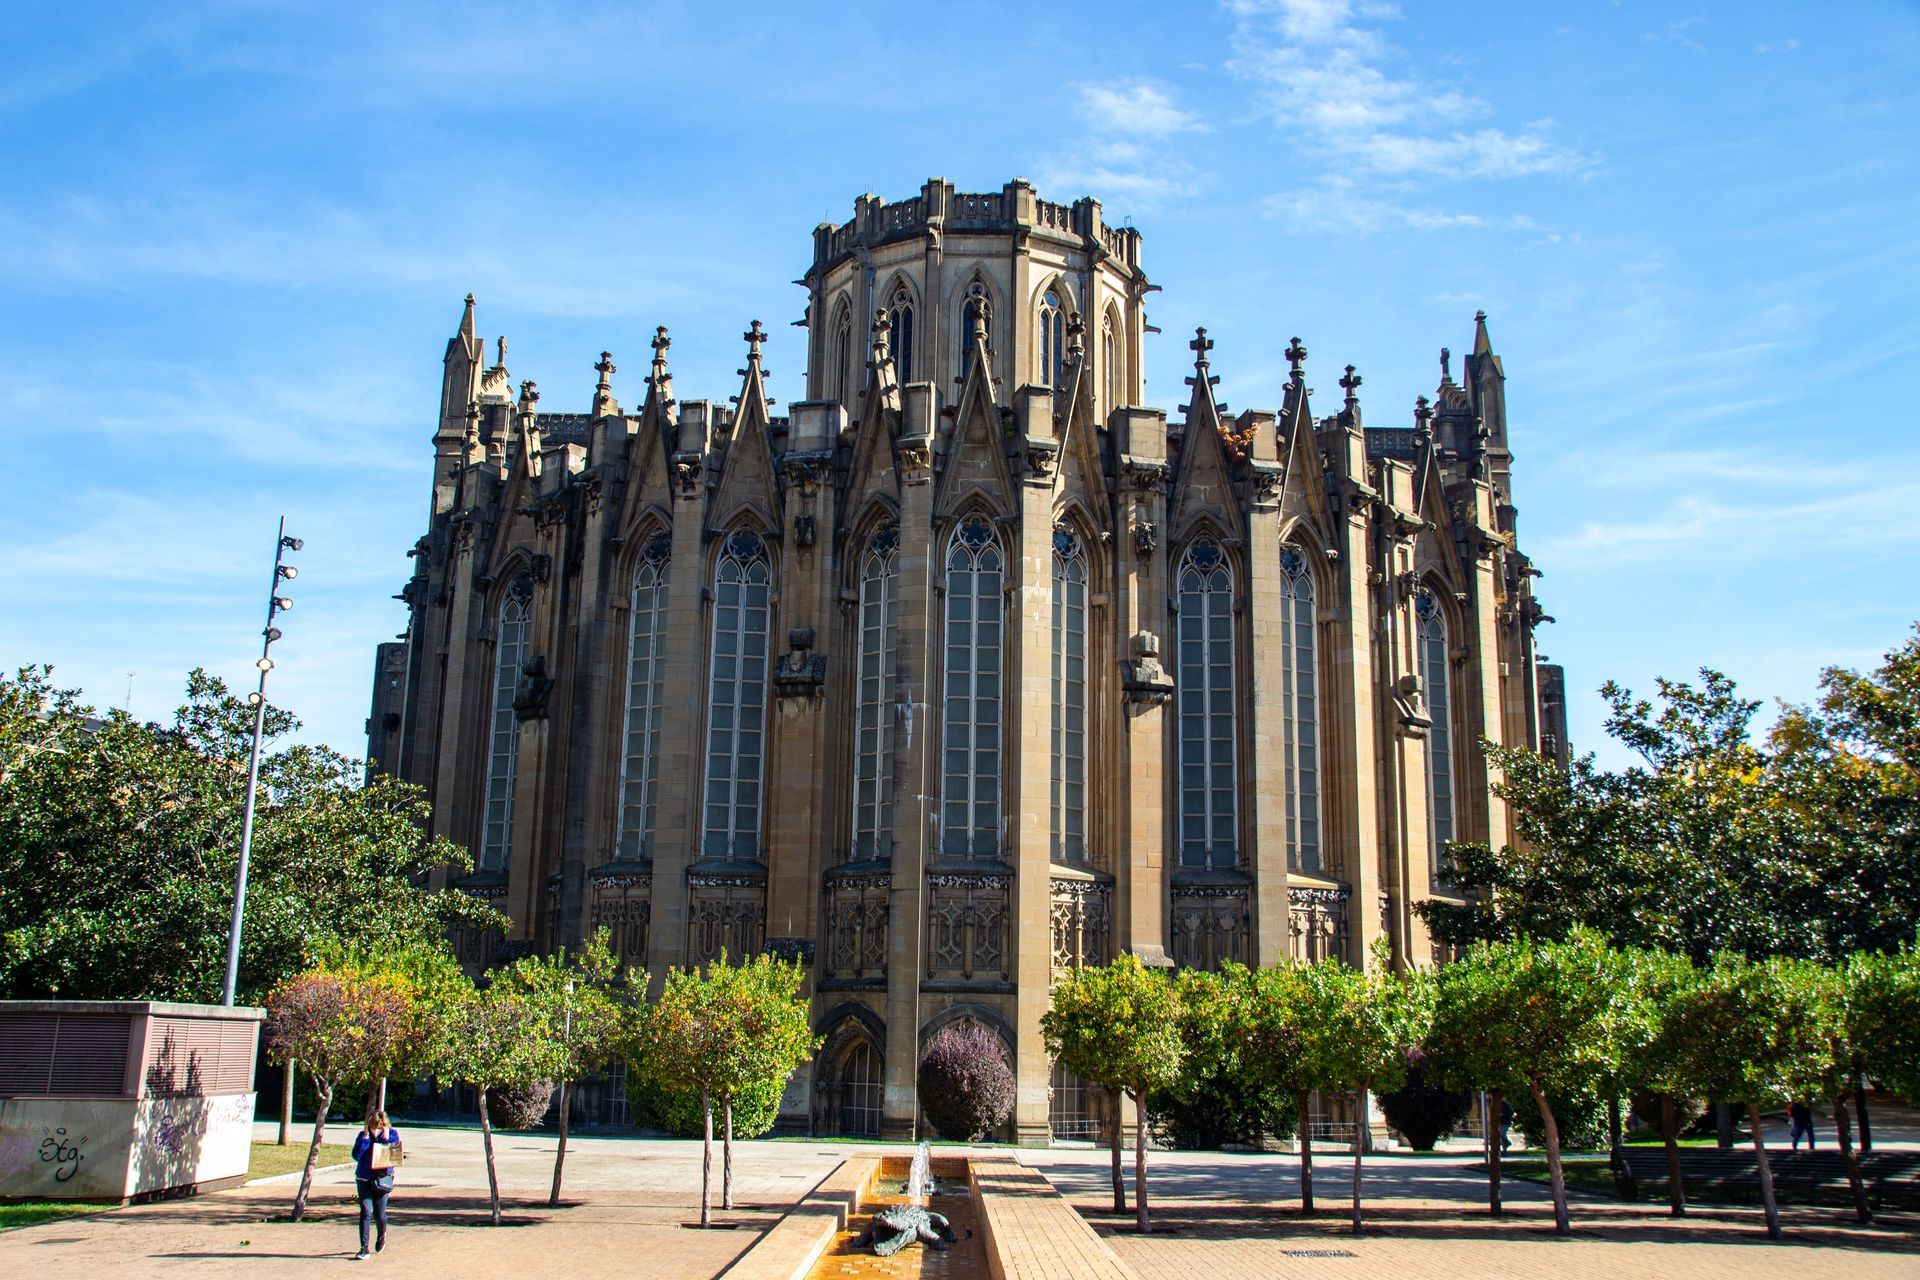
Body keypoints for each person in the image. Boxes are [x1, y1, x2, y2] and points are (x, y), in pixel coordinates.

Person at [351, 1109, 402, 1260]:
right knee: (366, 1211)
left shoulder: (392, 1134)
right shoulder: (363, 1136)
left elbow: (394, 1157)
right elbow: (356, 1155)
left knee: (379, 1213)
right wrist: (365, 1140)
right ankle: (363, 1248)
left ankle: (381, 1235)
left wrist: (386, 1140)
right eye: (374, 1127)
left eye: (379, 1127)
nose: (376, 1130)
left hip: (381, 1179)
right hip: (364, 1178)